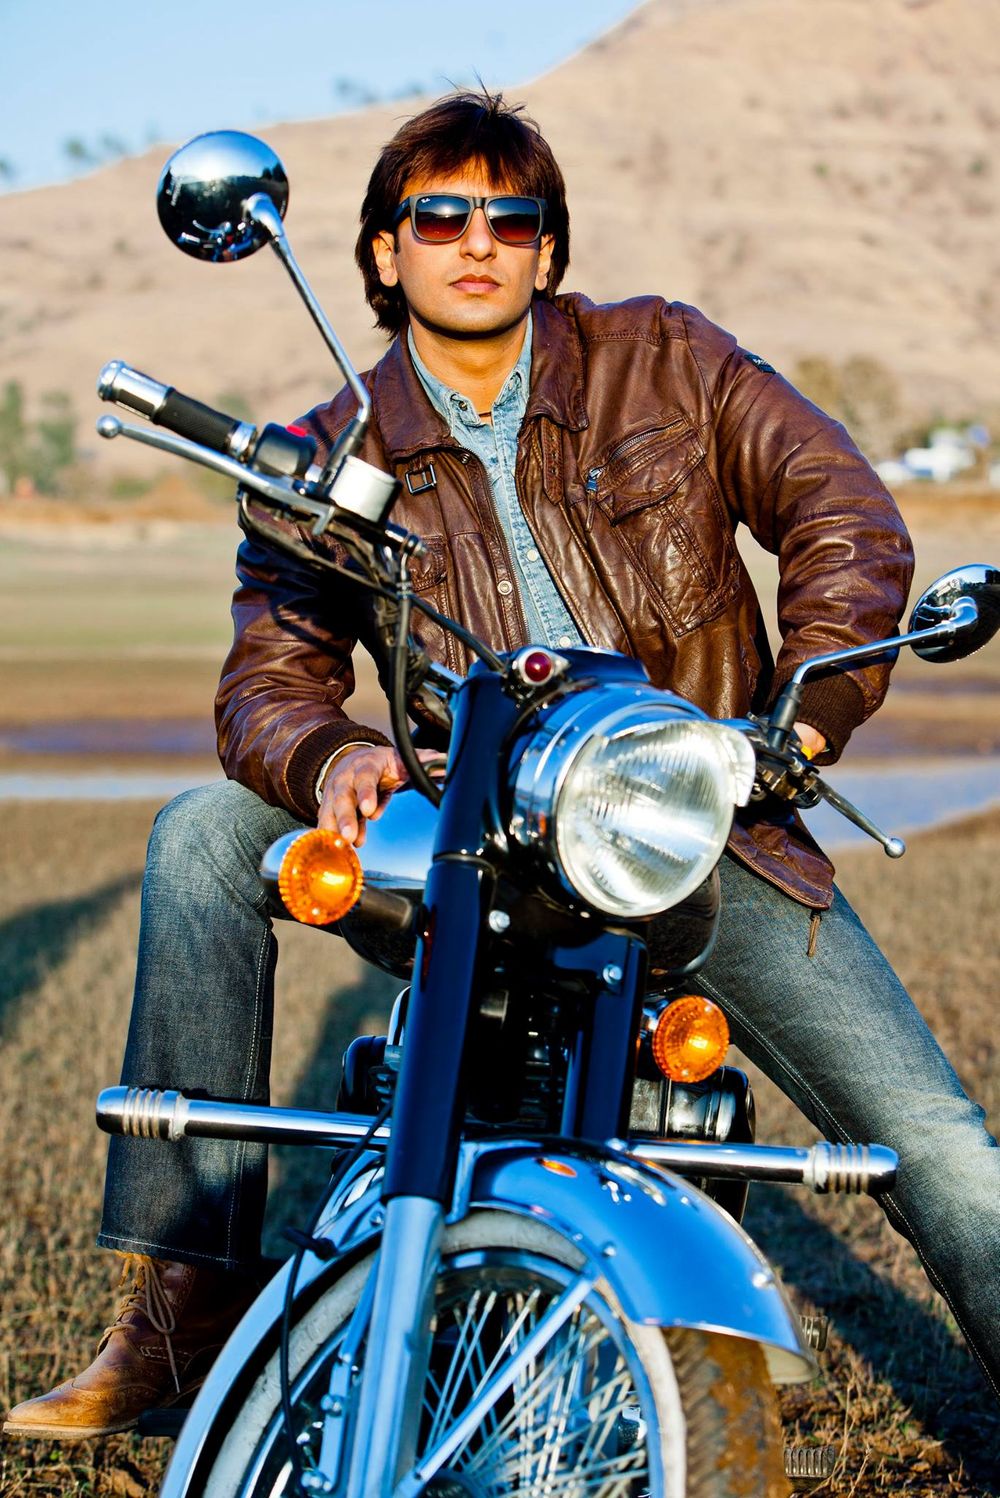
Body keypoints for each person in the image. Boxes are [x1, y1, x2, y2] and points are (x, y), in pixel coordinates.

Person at [6, 88, 999, 1443]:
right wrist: (330, 755)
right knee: (201, 832)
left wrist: (801, 720)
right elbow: (267, 681)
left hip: (694, 829)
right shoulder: (330, 455)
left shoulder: (669, 359)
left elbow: (845, 514)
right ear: (382, 250)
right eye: (440, 217)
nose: (477, 241)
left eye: (511, 218)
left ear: (547, 249)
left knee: (937, 1144)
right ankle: (183, 1309)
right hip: (470, 837)